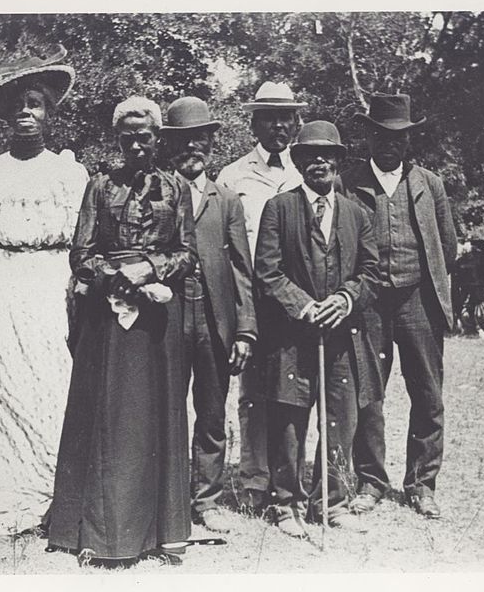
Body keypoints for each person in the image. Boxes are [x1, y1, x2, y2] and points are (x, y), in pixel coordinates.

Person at [48, 96, 198, 565]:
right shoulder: (99, 187)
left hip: (157, 321)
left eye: (145, 135)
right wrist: (118, 279)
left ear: (158, 139)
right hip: (106, 320)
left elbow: (187, 253)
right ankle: (99, 533)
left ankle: (157, 533)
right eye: (127, 136)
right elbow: (81, 253)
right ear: (117, 139)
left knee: (155, 416)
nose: (137, 143)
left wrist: (150, 269)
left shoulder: (176, 188)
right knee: (107, 416)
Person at [0, 45, 89, 537]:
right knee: (7, 391)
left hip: (54, 290)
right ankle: (11, 500)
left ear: (50, 113)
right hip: (5, 289)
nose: (26, 114)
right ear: (6, 118)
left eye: (35, 104)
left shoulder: (69, 174)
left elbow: (81, 247)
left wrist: (79, 299)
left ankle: (55, 497)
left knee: (52, 389)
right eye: (18, 107)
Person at [254, 120, 379, 537]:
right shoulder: (280, 208)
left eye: (327, 155)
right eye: (309, 156)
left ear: (340, 161)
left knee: (340, 418)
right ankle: (284, 503)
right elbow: (267, 273)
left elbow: (371, 271)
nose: (319, 162)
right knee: (290, 419)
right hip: (292, 335)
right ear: (298, 161)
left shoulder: (357, 213)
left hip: (341, 336)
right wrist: (305, 306)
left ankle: (333, 501)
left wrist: (344, 299)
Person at [340, 93, 457, 519]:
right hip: (367, 304)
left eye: (400, 137)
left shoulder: (430, 184)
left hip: (418, 302)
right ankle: (370, 481)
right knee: (368, 395)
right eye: (382, 135)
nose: (391, 143)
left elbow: (448, 246)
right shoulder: (347, 182)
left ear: (409, 141)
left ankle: (422, 485)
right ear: (369, 136)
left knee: (427, 394)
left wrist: (426, 287)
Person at [160, 97, 257, 533]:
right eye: (182, 141)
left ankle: (208, 498)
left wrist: (245, 331)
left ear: (211, 144)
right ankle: (167, 495)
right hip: (167, 318)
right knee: (166, 408)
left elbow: (242, 268)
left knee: (212, 413)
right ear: (170, 146)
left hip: (215, 320)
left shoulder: (228, 200)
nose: (191, 149)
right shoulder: (156, 192)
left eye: (199, 139)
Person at [216, 81, 306, 512]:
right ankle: (254, 481)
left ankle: (291, 479)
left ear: (296, 122)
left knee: (291, 392)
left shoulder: (307, 170)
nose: (278, 125)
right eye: (269, 116)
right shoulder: (233, 176)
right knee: (252, 392)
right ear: (254, 121)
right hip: (250, 298)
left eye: (286, 117)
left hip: (295, 301)